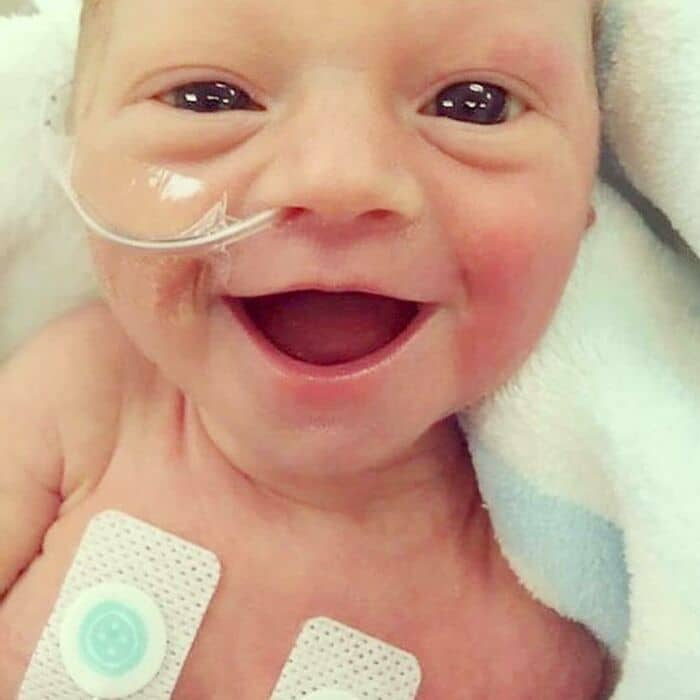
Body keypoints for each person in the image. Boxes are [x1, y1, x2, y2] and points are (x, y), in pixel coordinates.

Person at [0, 0, 616, 696]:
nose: (337, 181)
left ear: (588, 197)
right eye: (210, 98)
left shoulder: (564, 611)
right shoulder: (79, 401)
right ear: (74, 156)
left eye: (474, 105)